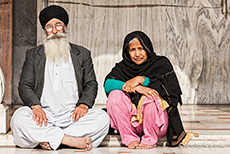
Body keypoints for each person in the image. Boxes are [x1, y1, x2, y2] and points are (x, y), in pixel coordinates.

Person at [10, 5, 110, 151]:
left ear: (65, 26)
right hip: (44, 116)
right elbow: (25, 85)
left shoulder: (81, 54)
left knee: (103, 119)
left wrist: (83, 105)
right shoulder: (33, 55)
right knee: (19, 117)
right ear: (45, 30)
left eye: (58, 25)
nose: (54, 31)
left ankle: (48, 139)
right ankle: (68, 140)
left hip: (73, 116)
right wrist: (36, 107)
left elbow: (91, 84)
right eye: (49, 26)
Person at [104, 31, 197, 149]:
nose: (137, 54)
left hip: (157, 124)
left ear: (147, 48)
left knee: (150, 96)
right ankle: (129, 137)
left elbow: (170, 89)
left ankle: (150, 139)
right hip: (131, 123)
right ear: (127, 52)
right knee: (115, 95)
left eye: (141, 48)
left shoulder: (161, 63)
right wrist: (137, 88)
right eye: (132, 50)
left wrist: (142, 80)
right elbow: (108, 83)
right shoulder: (123, 67)